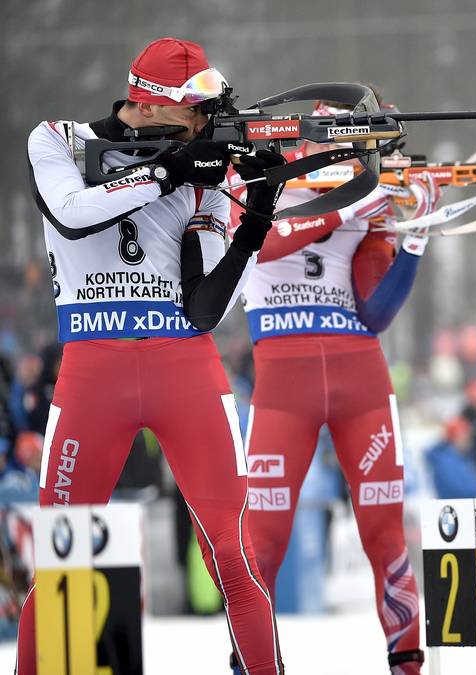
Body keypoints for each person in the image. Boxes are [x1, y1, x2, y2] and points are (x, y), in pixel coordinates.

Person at [21, 37, 286, 674]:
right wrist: (172, 170)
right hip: (91, 374)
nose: (204, 128)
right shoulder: (56, 139)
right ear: (152, 105)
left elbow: (205, 311)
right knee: (63, 557)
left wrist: (252, 222)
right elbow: (71, 214)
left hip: (184, 366)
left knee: (233, 551)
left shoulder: (208, 167)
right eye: (196, 114)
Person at [231, 97, 437, 674]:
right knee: (263, 547)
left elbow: (375, 313)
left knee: (385, 538)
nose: (355, 154)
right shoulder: (254, 175)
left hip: (362, 381)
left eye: (366, 146)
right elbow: (262, 243)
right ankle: (249, 664)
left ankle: (409, 665)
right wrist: (344, 205)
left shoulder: (367, 192)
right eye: (343, 140)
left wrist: (414, 239)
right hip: (281, 389)